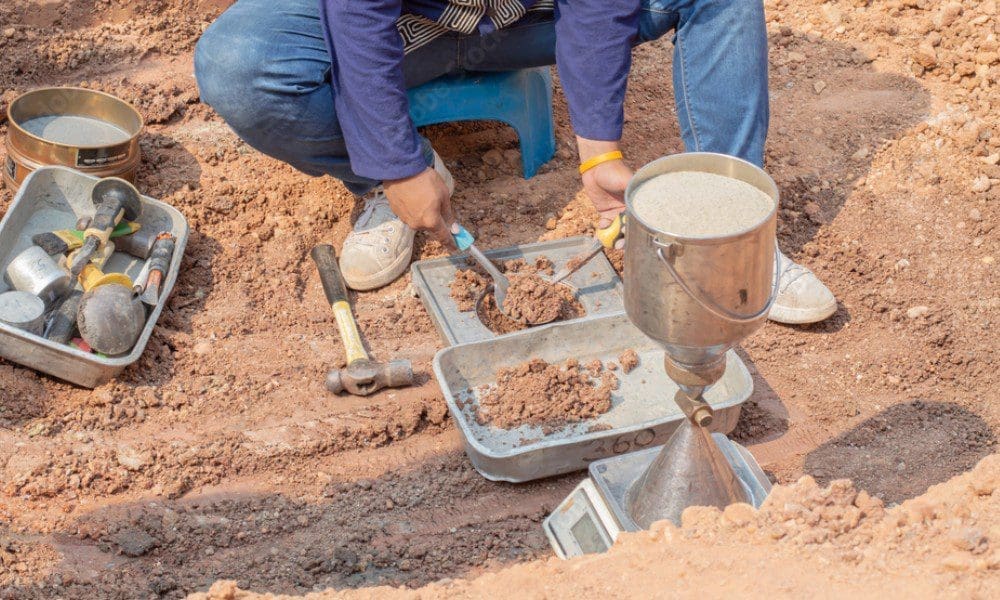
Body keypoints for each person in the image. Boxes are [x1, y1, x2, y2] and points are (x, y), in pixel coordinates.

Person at [194, 0, 837, 324]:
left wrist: (600, 149)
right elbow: (356, 15)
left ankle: (731, 240)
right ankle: (386, 186)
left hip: (531, 16)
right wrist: (395, 165)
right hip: (405, 19)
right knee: (238, 64)